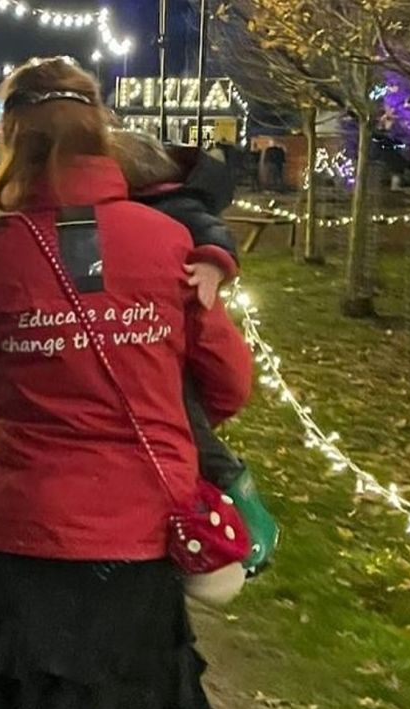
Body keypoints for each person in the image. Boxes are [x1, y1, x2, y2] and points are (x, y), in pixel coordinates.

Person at [0, 57, 253, 709]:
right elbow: (227, 385)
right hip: (139, 524)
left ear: (12, 140)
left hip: (23, 522)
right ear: (99, 132)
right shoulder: (171, 242)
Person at [109, 130, 280, 574]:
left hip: (175, 342)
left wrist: (213, 263)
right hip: (160, 338)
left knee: (193, 429)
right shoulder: (143, 209)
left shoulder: (175, 206)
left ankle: (243, 515)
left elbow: (214, 234)